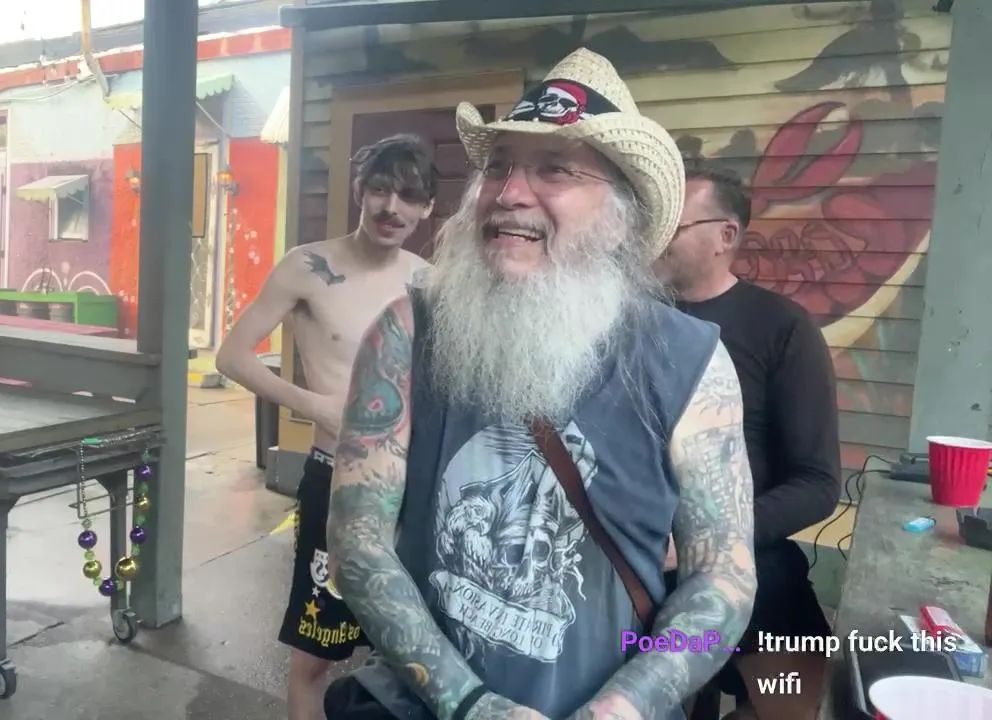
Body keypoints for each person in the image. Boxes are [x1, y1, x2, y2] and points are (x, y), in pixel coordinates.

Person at [322, 48, 758, 720]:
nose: (509, 193)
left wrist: (627, 706)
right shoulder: (408, 333)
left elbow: (723, 582)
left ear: (619, 212)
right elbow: (357, 543)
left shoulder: (690, 362)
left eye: (553, 168)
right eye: (498, 166)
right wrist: (469, 704)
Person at [215, 134, 435, 720]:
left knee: (410, 651)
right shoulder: (308, 267)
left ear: (427, 208)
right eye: (381, 189)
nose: (392, 207)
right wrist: (318, 406)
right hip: (334, 481)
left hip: (409, 488)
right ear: (360, 191)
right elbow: (231, 357)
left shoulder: (427, 282)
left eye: (409, 196)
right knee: (316, 656)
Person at [654, 158, 841, 720]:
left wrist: (711, 540)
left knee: (799, 704)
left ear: (725, 236)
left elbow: (817, 484)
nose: (655, 238)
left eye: (673, 225)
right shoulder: (629, 320)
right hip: (634, 565)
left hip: (751, 560)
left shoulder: (782, 327)